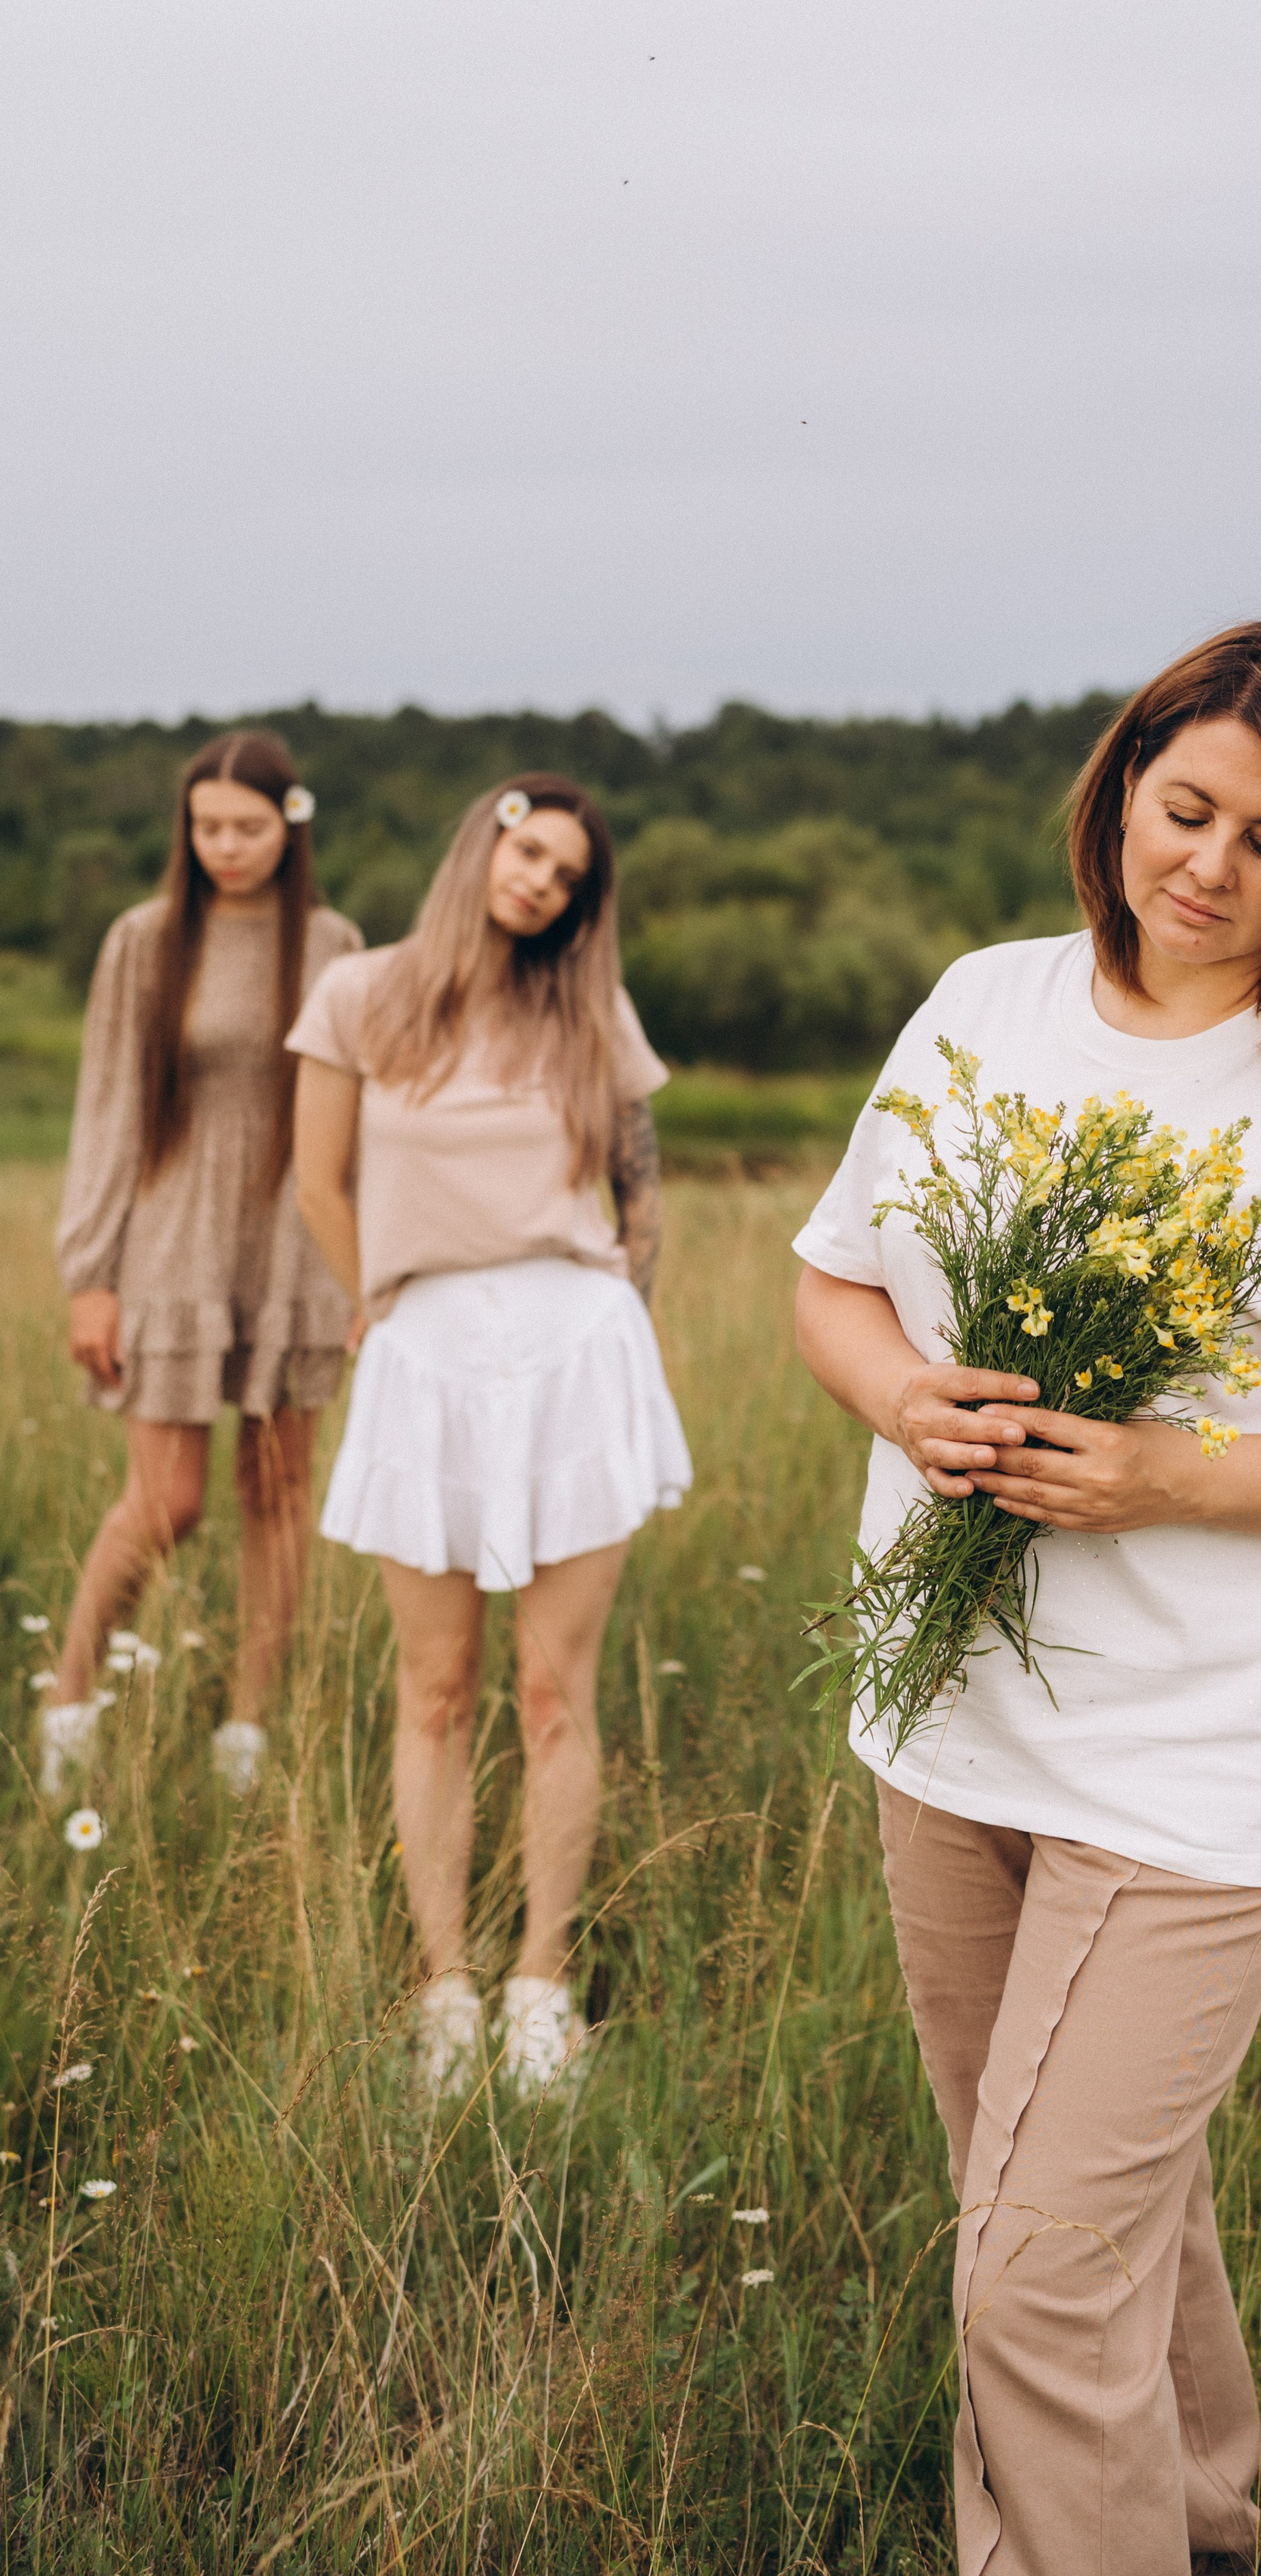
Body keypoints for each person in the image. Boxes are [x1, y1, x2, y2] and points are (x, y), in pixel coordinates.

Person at [794, 621, 1261, 2576]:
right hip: (943, 1724)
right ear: (1119, 786)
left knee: (1028, 2280)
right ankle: (1204, 2530)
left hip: (1187, 1773)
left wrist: (1162, 1472)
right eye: (1184, 806)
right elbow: (837, 1280)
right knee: (1088, 2219)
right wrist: (901, 1395)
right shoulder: (984, 1004)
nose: (1208, 865)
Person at [290, 773, 690, 2098]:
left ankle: (538, 1983)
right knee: (437, 1689)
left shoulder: (586, 1010)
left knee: (553, 1689)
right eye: (530, 853)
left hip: (573, 1348)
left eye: (568, 874)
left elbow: (639, 1189)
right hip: (428, 1351)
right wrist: (376, 1312)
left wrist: (620, 1324)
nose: (542, 882)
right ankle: (446, 1987)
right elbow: (319, 1180)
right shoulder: (362, 992)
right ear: (485, 844)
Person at [50, 730, 361, 1799]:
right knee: (166, 1499)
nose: (226, 846)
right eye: (208, 826)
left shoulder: (331, 944)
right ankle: (69, 1699)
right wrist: (92, 1274)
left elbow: (357, 1116)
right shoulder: (144, 940)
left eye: (249, 827)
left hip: (290, 1241)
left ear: (291, 826)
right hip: (171, 1236)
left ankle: (249, 1727)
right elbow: (107, 1110)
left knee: (276, 1491)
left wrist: (369, 1271)